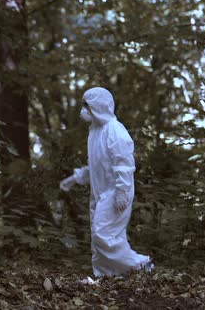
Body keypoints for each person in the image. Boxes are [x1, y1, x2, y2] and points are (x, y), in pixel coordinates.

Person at [60, 87, 153, 277]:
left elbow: (124, 165)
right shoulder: (95, 131)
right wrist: (76, 178)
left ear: (98, 105)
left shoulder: (114, 130)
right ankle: (105, 275)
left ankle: (142, 264)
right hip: (100, 192)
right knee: (102, 237)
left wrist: (121, 192)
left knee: (102, 233)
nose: (83, 109)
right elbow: (96, 166)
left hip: (115, 191)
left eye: (87, 105)